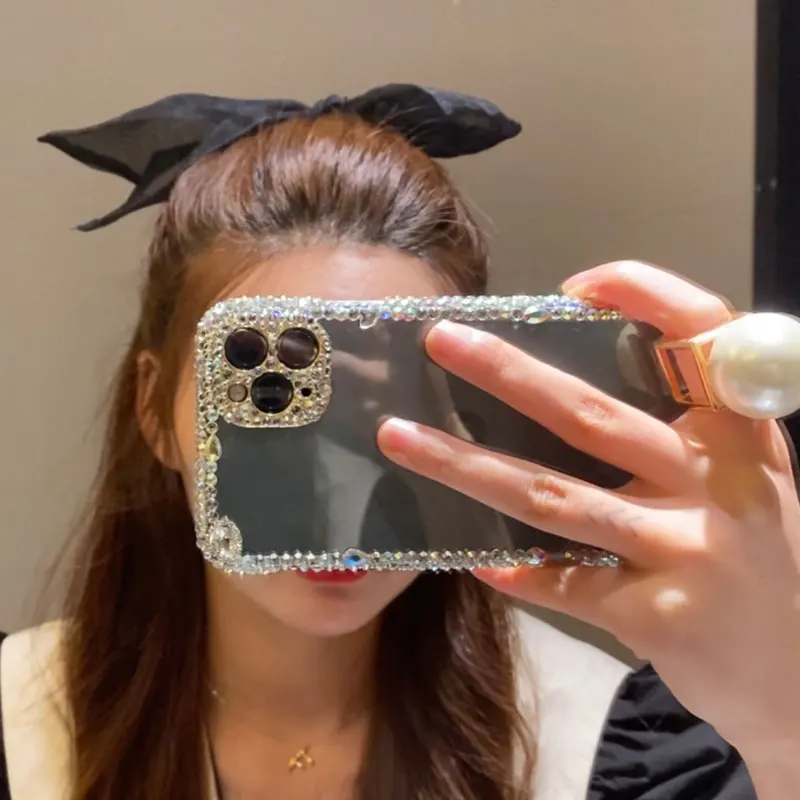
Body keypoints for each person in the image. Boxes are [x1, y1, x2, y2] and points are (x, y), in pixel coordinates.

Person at [0, 84, 797, 800]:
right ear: (153, 412)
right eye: (276, 396)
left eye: (402, 404)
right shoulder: (20, 721)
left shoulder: (614, 744)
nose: (340, 490)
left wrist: (783, 721)